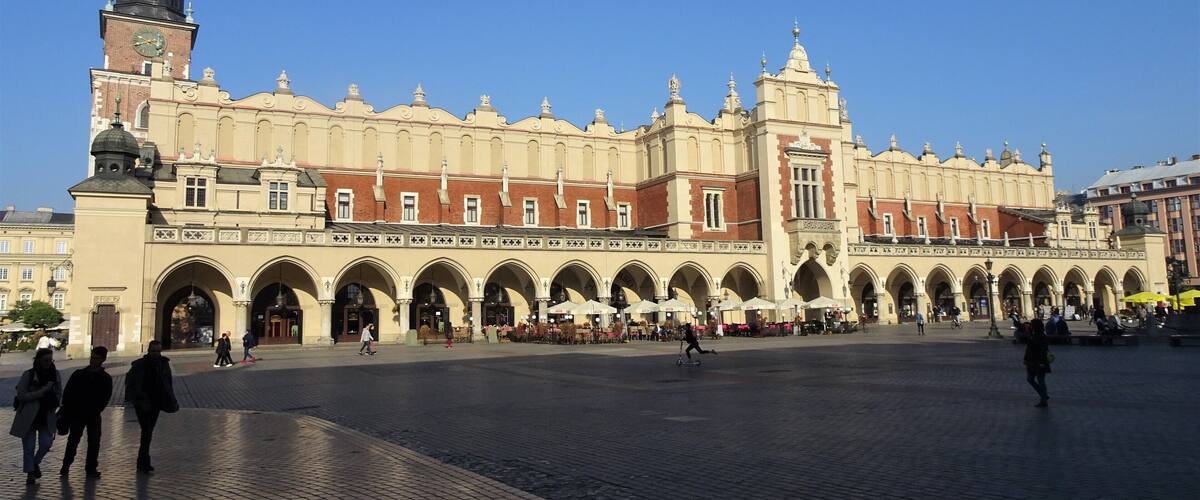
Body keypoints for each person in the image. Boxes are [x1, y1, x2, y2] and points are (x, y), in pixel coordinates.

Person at [124, 340, 179, 474]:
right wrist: (133, 399)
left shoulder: (163, 364)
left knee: (148, 431)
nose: (156, 354)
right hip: (142, 402)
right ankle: (143, 462)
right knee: (147, 430)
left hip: (156, 402)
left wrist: (171, 399)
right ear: (148, 351)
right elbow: (130, 382)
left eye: (158, 351)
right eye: (154, 351)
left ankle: (143, 461)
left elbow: (168, 382)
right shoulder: (139, 365)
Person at [59, 346, 113, 478]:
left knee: (94, 442)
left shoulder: (105, 378)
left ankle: (91, 468)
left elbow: (106, 396)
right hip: (77, 413)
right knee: (73, 440)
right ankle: (66, 466)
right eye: (92, 357)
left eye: (96, 358)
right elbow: (68, 393)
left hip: (93, 414)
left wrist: (98, 408)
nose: (93, 360)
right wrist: (67, 409)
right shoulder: (79, 374)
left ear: (103, 359)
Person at [10, 348, 62, 485]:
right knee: (29, 447)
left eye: (50, 360)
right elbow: (21, 395)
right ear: (38, 360)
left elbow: (59, 392)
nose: (48, 363)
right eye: (45, 360)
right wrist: (42, 391)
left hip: (47, 415)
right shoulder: (29, 374)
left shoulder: (55, 375)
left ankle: (34, 463)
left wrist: (55, 403)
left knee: (46, 443)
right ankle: (30, 474)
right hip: (29, 415)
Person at [1023, 320, 1052, 407]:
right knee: (1030, 379)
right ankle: (1044, 395)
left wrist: (1041, 362)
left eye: (1032, 325)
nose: (1030, 326)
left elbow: (1043, 350)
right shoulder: (1033, 335)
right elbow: (1028, 349)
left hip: (1039, 362)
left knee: (1040, 380)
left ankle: (1044, 399)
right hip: (1031, 362)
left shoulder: (1041, 336)